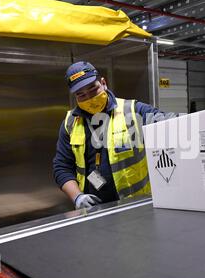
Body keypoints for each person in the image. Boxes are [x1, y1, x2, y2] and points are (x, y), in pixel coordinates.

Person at [53, 61, 169, 210]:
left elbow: (171, 126)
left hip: (136, 206)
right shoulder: (70, 124)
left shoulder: (133, 111)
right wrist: (77, 197)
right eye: (81, 95)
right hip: (93, 210)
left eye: (93, 90)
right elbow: (61, 166)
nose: (89, 98)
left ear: (103, 83)